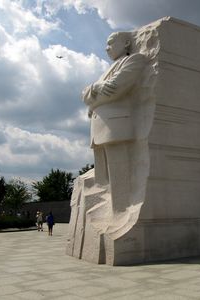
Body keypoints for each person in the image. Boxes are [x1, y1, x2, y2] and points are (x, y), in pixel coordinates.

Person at [82, 31, 147, 214]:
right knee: (104, 180)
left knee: (119, 176)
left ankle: (122, 214)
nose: (106, 48)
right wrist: (95, 88)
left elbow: (116, 89)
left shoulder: (135, 60)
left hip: (115, 126)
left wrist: (92, 99)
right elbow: (84, 95)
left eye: (111, 43)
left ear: (126, 43)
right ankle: (114, 213)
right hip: (100, 128)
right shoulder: (106, 72)